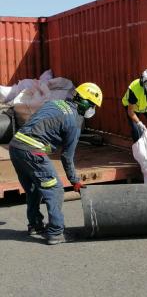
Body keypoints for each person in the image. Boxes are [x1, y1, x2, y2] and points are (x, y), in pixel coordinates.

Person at [9, 83, 103, 245]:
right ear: (85, 102)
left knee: (33, 188)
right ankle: (56, 232)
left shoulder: (55, 103)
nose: (92, 109)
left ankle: (36, 225)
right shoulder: (74, 122)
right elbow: (67, 157)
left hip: (16, 145)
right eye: (92, 105)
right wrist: (75, 181)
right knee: (55, 188)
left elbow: (39, 125)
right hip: (32, 150)